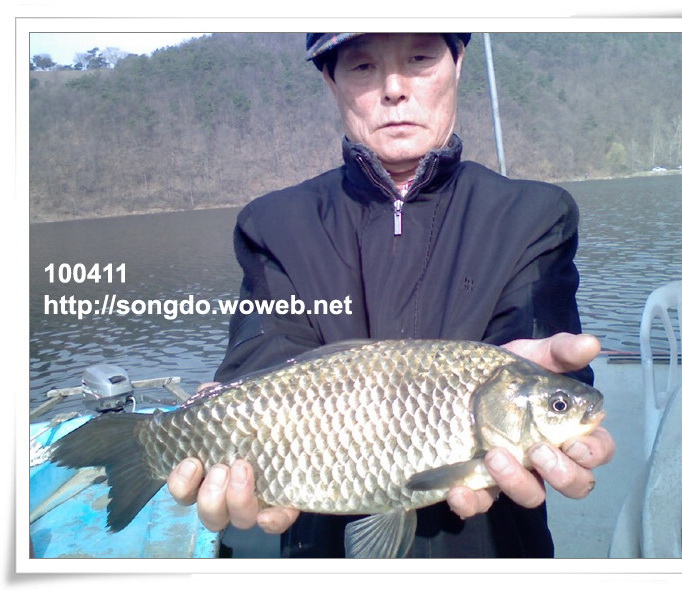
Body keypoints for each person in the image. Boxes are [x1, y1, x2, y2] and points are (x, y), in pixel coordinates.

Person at [167, 32, 615, 558]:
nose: (394, 88)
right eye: (363, 67)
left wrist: (559, 388)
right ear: (331, 82)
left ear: (457, 62)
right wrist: (214, 424)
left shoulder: (535, 214)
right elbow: (263, 360)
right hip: (318, 540)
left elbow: (543, 348)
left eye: (419, 58)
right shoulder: (273, 223)